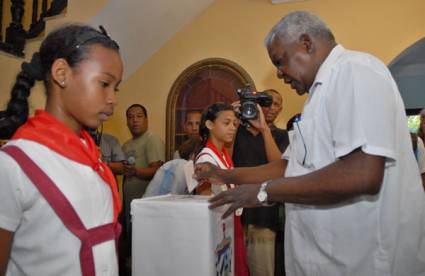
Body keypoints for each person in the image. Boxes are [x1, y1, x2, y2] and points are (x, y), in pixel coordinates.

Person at [195, 11, 425, 275]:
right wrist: (223, 174)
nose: (280, 74)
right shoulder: (316, 98)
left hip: (364, 260)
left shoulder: (354, 71)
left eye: (280, 62)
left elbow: (362, 174)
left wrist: (263, 192)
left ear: (306, 43)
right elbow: (288, 167)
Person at [0, 24, 123, 275]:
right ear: (61, 73)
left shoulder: (92, 159)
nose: (113, 99)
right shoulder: (13, 164)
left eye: (116, 87)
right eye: (104, 84)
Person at [232, 89, 289, 276]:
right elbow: (225, 158)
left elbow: (278, 167)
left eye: (276, 104)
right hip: (236, 214)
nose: (270, 107)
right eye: (266, 103)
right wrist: (231, 119)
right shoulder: (237, 132)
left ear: (280, 109)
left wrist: (264, 128)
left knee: (261, 270)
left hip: (264, 215)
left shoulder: (283, 136)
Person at [194, 102, 248, 276]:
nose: (232, 128)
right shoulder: (205, 157)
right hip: (220, 227)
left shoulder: (223, 152)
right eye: (226, 123)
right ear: (210, 125)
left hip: (231, 223)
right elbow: (204, 199)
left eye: (234, 123)